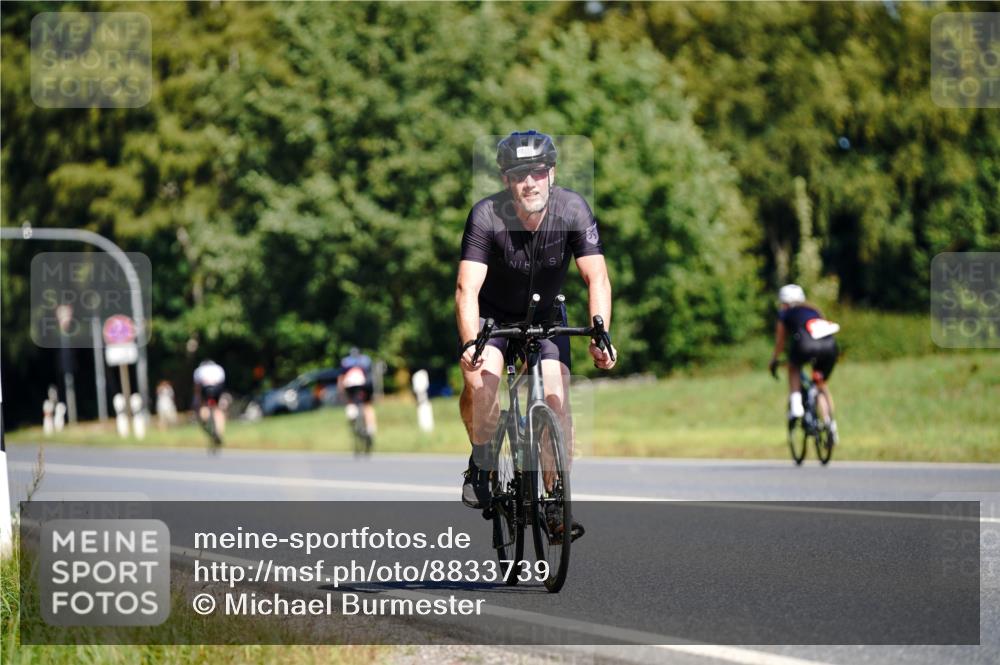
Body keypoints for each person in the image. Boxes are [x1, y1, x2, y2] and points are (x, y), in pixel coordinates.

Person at [456, 130, 617, 538]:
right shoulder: (486, 216)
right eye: (519, 173)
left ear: (552, 173)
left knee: (558, 401)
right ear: (506, 180)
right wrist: (470, 344)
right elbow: (467, 289)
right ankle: (482, 459)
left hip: (546, 317)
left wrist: (601, 333)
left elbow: (596, 276)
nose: (530, 181)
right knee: (482, 387)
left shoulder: (572, 210)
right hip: (493, 320)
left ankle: (553, 503)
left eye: (537, 171)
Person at [768, 284, 839, 442]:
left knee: (793, 367)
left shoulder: (786, 313)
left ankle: (796, 406)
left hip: (806, 345)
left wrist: (774, 359)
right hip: (830, 347)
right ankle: (830, 425)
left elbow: (780, 342)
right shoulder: (814, 310)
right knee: (820, 384)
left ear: (784, 302)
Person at [338, 347, 377, 442]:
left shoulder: (346, 362)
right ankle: (371, 428)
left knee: (351, 402)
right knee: (367, 406)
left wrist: (341, 392)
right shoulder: (365, 360)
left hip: (351, 386)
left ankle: (352, 418)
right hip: (365, 385)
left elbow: (341, 378)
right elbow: (371, 376)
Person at [193, 359, 226, 442]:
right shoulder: (219, 368)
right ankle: (219, 432)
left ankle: (205, 420)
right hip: (217, 389)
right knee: (217, 410)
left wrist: (198, 400)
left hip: (205, 389)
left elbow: (197, 388)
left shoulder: (199, 370)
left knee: (204, 407)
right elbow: (222, 384)